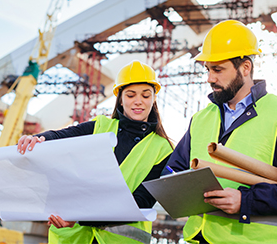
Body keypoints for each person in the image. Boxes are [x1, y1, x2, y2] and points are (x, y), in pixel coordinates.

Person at [166, 20, 277, 243]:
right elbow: (173, 170)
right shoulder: (201, 119)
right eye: (208, 69)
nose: (210, 78)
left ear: (245, 68)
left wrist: (245, 201)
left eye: (218, 69)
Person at [17, 60, 174, 244]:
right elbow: (64, 135)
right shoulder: (100, 127)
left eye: (146, 95)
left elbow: (140, 203)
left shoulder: (163, 149)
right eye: (131, 95)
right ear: (121, 99)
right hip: (74, 238)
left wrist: (80, 218)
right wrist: (39, 139)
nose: (138, 101)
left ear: (154, 98)